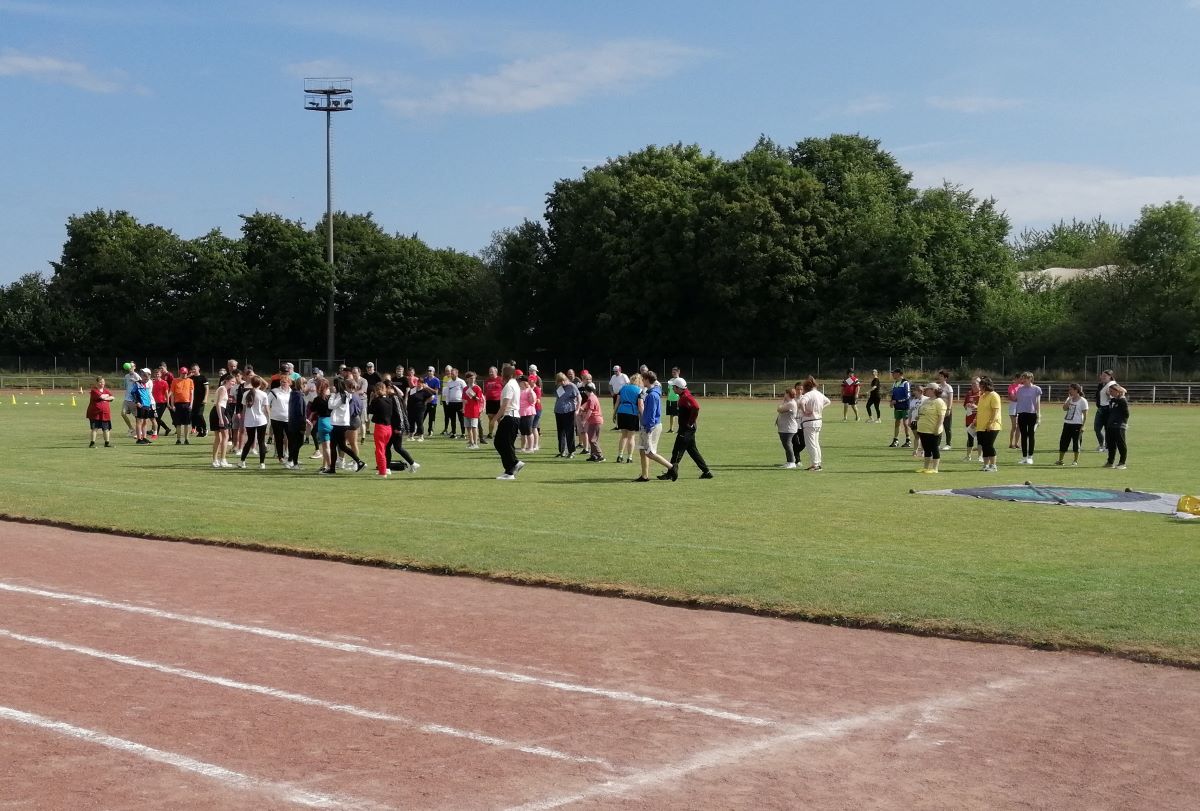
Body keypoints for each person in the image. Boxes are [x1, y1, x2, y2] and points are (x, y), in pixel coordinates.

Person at [659, 378, 712, 480]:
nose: (672, 388)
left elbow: (696, 407)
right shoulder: (683, 395)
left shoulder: (686, 397)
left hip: (686, 429)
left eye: (673, 387)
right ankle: (707, 472)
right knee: (693, 451)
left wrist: (690, 423)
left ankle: (671, 473)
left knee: (677, 451)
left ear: (678, 388)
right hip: (687, 429)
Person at [635, 371, 672, 482]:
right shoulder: (652, 392)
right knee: (642, 450)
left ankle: (671, 467)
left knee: (650, 453)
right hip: (646, 425)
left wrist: (648, 427)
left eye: (643, 379)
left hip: (650, 426)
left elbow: (651, 413)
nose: (642, 381)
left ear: (647, 379)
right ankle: (644, 476)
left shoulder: (652, 395)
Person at [328, 377, 365, 473]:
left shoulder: (342, 396)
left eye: (333, 385)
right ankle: (359, 462)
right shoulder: (343, 395)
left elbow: (331, 405)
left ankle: (333, 469)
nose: (332, 387)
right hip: (340, 423)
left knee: (334, 446)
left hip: (339, 424)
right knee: (342, 446)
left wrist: (332, 394)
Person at [494, 364, 524, 480]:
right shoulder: (514, 384)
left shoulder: (509, 386)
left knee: (501, 443)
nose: (501, 373)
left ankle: (513, 465)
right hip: (513, 417)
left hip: (510, 417)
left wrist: (495, 419)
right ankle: (509, 469)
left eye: (502, 371)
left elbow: (505, 405)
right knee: (505, 443)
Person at [798, 377, 831, 471]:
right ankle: (818, 463)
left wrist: (805, 412)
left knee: (811, 444)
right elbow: (828, 401)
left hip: (809, 421)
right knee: (816, 443)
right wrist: (820, 409)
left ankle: (815, 464)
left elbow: (801, 402)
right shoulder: (819, 394)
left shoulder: (808, 394)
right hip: (818, 420)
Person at [915, 382, 948, 474]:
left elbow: (941, 417)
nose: (925, 390)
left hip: (933, 430)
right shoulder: (926, 400)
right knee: (926, 449)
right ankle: (926, 467)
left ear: (933, 390)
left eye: (927, 389)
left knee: (934, 448)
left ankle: (935, 468)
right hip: (923, 429)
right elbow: (922, 411)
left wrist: (938, 428)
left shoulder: (939, 402)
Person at [238, 375, 270, 469]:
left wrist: (243, 420)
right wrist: (269, 419)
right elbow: (267, 409)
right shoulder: (263, 394)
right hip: (261, 420)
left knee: (249, 441)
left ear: (251, 383)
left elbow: (243, 410)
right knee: (261, 441)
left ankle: (242, 461)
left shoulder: (246, 394)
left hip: (249, 420)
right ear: (260, 384)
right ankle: (262, 464)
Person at [1055, 383, 1089, 467]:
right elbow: (1064, 408)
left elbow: (1085, 415)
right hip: (1067, 423)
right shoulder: (1069, 399)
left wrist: (1083, 425)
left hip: (1077, 424)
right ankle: (1060, 460)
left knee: (1076, 443)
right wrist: (1069, 400)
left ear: (1076, 390)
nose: (1069, 391)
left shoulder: (1083, 401)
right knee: (1063, 441)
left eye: (1070, 389)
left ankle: (1075, 461)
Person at [975, 376, 1002, 472]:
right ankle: (986, 465)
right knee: (983, 445)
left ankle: (993, 465)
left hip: (992, 426)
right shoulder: (982, 396)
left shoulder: (994, 395)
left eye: (980, 385)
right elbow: (980, 410)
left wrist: (990, 423)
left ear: (985, 386)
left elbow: (995, 411)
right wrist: (975, 420)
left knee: (989, 445)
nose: (979, 387)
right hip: (981, 426)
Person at [614, 372, 643, 463]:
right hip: (632, 413)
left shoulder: (623, 388)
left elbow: (617, 402)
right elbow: (640, 405)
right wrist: (642, 416)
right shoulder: (639, 390)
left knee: (623, 436)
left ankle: (620, 456)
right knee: (631, 437)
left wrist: (614, 413)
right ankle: (629, 457)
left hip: (621, 412)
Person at [1015, 372, 1043, 465]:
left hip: (1032, 414)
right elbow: (1018, 401)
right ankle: (1024, 457)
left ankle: (1030, 456)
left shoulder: (1036, 389)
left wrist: (1038, 415)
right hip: (1022, 414)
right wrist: (1017, 413)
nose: (1023, 380)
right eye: (1023, 378)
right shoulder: (1020, 389)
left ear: (1030, 378)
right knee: (1023, 436)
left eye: (1025, 378)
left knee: (1031, 435)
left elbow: (1037, 402)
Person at [367, 382, 394, 477]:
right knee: (383, 449)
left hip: (380, 428)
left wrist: (371, 399)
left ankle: (382, 471)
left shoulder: (376, 401)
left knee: (380, 450)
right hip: (389, 428)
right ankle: (384, 468)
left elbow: (370, 410)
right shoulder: (390, 400)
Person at [309, 378, 334, 474]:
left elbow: (312, 409)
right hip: (332, 421)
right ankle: (324, 466)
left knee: (325, 447)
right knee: (329, 446)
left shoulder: (317, 399)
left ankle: (330, 467)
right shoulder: (332, 397)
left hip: (323, 421)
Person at [552, 372, 580, 457]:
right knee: (560, 432)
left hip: (569, 411)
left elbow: (579, 397)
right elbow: (558, 398)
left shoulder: (572, 386)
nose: (562, 383)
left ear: (565, 379)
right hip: (559, 411)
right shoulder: (559, 387)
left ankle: (571, 451)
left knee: (569, 432)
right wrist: (555, 408)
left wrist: (577, 409)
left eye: (562, 381)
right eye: (560, 382)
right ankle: (562, 451)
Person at [209, 374, 233, 468]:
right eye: (232, 381)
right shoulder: (223, 389)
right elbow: (218, 404)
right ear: (227, 380)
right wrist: (221, 418)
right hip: (218, 412)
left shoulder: (222, 389)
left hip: (217, 412)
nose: (233, 383)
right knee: (225, 436)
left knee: (218, 438)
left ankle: (216, 460)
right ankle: (222, 460)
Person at [1104, 385, 1130, 469]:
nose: (1110, 393)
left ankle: (1122, 463)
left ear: (1117, 391)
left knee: (1121, 444)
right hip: (1110, 425)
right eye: (1110, 391)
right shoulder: (1112, 401)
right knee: (1111, 444)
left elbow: (1126, 414)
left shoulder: (1122, 401)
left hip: (1119, 426)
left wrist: (1123, 423)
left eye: (1112, 391)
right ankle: (1110, 462)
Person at [775, 386, 801, 469]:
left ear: (788, 394)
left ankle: (791, 462)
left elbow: (779, 409)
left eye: (785, 393)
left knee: (787, 445)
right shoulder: (789, 403)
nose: (784, 395)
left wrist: (782, 402)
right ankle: (789, 461)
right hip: (785, 428)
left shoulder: (790, 403)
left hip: (788, 429)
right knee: (786, 445)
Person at [578, 383, 605, 461]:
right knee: (591, 438)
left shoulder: (591, 398)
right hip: (593, 421)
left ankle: (600, 455)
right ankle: (593, 455)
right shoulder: (592, 397)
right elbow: (587, 409)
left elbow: (590, 411)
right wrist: (581, 409)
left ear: (587, 391)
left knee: (593, 439)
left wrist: (584, 420)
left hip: (595, 421)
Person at [168, 366, 194, 445]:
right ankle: (178, 439)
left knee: (186, 423)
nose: (184, 375)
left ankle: (186, 439)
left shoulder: (190, 381)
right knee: (178, 423)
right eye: (183, 373)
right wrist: (172, 405)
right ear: (180, 373)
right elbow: (172, 394)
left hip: (187, 403)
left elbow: (192, 393)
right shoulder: (175, 381)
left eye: (186, 373)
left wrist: (191, 404)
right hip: (178, 404)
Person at [86, 376, 115, 448]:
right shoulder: (94, 390)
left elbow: (113, 397)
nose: (102, 383)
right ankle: (92, 443)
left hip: (105, 413)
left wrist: (106, 397)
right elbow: (102, 397)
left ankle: (107, 443)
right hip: (95, 413)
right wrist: (107, 397)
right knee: (94, 428)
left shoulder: (106, 390)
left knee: (106, 429)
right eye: (100, 382)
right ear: (96, 383)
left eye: (103, 382)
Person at [888, 369, 911, 448]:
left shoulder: (905, 383)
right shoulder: (895, 383)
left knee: (905, 423)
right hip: (897, 407)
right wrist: (891, 401)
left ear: (898, 374)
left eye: (893, 373)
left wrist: (896, 401)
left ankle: (908, 440)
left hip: (905, 406)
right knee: (897, 423)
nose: (892, 375)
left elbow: (908, 396)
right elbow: (893, 394)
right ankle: (896, 440)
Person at [1095, 369, 1117, 453]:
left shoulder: (1112, 384)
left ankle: (1107, 447)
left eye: (1105, 376)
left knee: (1108, 429)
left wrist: (1110, 395)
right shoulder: (1101, 385)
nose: (1103, 377)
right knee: (1097, 428)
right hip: (1100, 408)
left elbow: (1119, 393)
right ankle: (1102, 444)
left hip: (1109, 409)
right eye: (1102, 375)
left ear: (1110, 377)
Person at [462, 371, 485, 449]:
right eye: (470, 378)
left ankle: (475, 443)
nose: (472, 380)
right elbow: (463, 399)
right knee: (468, 427)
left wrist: (474, 396)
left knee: (474, 427)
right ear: (467, 379)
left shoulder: (477, 388)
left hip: (474, 410)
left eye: (473, 378)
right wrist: (463, 406)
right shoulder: (465, 388)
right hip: (467, 410)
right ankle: (471, 443)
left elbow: (480, 399)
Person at [442, 368, 466, 439]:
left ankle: (463, 433)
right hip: (451, 403)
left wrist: (464, 402)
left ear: (457, 374)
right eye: (451, 373)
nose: (451, 375)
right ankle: (454, 433)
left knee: (461, 419)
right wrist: (447, 401)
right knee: (452, 419)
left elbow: (465, 391)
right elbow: (447, 393)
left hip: (460, 403)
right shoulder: (449, 382)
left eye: (453, 373)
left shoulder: (461, 381)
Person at [961, 378, 981, 463]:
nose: (973, 386)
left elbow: (984, 407)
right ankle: (968, 456)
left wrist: (976, 407)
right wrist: (968, 405)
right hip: (969, 418)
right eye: (972, 384)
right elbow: (965, 406)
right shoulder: (969, 393)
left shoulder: (982, 394)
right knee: (970, 438)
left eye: (975, 384)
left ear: (979, 385)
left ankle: (980, 456)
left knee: (980, 438)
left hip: (980, 419)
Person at [134, 368, 155, 445]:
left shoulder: (148, 384)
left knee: (145, 421)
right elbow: (133, 393)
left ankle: (144, 437)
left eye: (147, 378)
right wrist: (137, 402)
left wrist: (150, 403)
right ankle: (139, 439)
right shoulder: (137, 384)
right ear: (141, 376)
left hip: (147, 404)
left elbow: (148, 395)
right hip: (141, 405)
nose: (146, 379)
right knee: (139, 421)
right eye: (144, 377)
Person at [517, 375, 538, 452]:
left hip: (529, 412)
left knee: (528, 430)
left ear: (524, 382)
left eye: (520, 381)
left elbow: (532, 401)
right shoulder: (518, 390)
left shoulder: (529, 390)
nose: (519, 382)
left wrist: (531, 395)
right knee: (522, 431)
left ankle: (530, 447)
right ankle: (523, 447)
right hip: (520, 413)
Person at [483, 366, 503, 441]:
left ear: (496, 372)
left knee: (499, 418)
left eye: (492, 371)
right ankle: (490, 434)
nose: (490, 372)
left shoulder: (500, 379)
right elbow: (485, 391)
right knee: (490, 418)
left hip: (498, 401)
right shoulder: (487, 380)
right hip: (489, 401)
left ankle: (501, 433)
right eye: (489, 371)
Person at [936, 369, 954, 450]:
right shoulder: (937, 386)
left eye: (941, 376)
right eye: (939, 376)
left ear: (945, 378)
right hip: (938, 410)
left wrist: (949, 409)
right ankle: (937, 444)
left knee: (947, 427)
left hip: (946, 409)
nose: (940, 377)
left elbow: (950, 399)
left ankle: (948, 444)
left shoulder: (948, 387)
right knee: (938, 426)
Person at [189, 364, 208, 439]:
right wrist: (189, 375)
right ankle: (199, 430)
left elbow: (207, 388)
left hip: (201, 399)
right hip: (193, 400)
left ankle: (205, 429)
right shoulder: (191, 378)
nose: (194, 370)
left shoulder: (203, 378)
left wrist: (205, 398)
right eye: (192, 369)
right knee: (193, 415)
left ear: (198, 369)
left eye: (195, 369)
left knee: (199, 414)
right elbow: (183, 380)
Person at [120, 362, 140, 436]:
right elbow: (125, 386)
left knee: (137, 417)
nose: (130, 368)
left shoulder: (137, 375)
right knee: (123, 413)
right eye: (129, 366)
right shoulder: (126, 376)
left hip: (134, 400)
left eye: (132, 366)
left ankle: (138, 432)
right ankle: (131, 428)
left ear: (134, 367)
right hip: (126, 399)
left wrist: (135, 381)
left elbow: (142, 385)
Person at [150, 368, 171, 437]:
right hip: (153, 403)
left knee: (157, 418)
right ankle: (166, 429)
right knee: (155, 417)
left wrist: (167, 403)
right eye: (155, 374)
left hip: (162, 403)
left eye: (158, 373)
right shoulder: (152, 382)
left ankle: (157, 432)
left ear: (161, 374)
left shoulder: (164, 383)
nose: (157, 375)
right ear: (154, 374)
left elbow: (166, 393)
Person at [422, 366, 441, 437]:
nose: (429, 372)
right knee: (422, 416)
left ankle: (430, 431)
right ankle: (420, 430)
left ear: (433, 372)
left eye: (430, 370)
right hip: (425, 401)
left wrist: (427, 387)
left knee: (431, 417)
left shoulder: (436, 380)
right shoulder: (425, 379)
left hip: (433, 401)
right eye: (428, 370)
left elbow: (436, 392)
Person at [664, 366, 683, 432]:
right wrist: (668, 398)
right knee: (671, 415)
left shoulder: (680, 381)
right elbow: (669, 390)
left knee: (678, 415)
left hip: (677, 400)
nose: (673, 373)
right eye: (672, 372)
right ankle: (671, 429)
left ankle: (679, 429)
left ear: (678, 372)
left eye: (674, 372)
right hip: (670, 400)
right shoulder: (671, 380)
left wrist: (679, 400)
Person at [1007, 373, 1022, 449]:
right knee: (1014, 426)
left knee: (1019, 426)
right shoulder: (1011, 386)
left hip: (1020, 407)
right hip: (1013, 407)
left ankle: (1016, 443)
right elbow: (1013, 398)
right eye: (1020, 379)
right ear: (1016, 378)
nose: (1021, 380)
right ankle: (1011, 443)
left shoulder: (1022, 387)